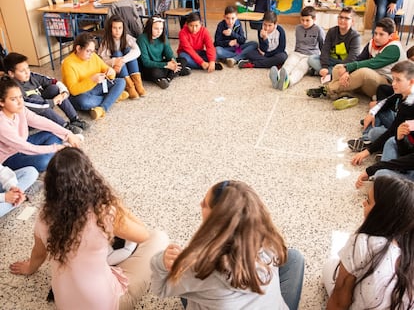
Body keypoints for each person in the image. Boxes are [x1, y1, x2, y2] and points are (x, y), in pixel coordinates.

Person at [9, 147, 170, 310]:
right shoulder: (104, 213)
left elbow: (38, 254)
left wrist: (29, 268)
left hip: (64, 304)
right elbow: (143, 235)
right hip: (108, 305)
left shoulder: (43, 217)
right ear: (89, 179)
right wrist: (117, 205)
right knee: (159, 237)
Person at [151, 180, 305, 310]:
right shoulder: (270, 243)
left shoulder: (200, 269)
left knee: (185, 288)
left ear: (216, 218)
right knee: (294, 257)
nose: (200, 204)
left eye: (204, 204)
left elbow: (160, 289)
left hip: (212, 288)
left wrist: (160, 262)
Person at [323, 175, 414, 309]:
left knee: (330, 265)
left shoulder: (362, 243)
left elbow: (339, 301)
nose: (363, 203)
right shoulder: (408, 251)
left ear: (383, 213)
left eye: (369, 201)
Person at [306, 17, 406, 110]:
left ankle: (327, 89)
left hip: (386, 85)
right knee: (339, 68)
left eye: (381, 34)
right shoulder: (373, 42)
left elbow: (373, 63)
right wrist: (347, 71)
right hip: (369, 81)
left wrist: (349, 67)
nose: (376, 37)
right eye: (375, 33)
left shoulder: (394, 48)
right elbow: (360, 58)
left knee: (363, 72)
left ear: (391, 36)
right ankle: (345, 95)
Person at [0, 75, 82, 172]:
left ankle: (53, 154)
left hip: (24, 144)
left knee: (54, 133)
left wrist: (68, 134)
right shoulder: (2, 123)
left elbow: (40, 121)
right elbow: (25, 147)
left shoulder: (20, 109)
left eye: (21, 97)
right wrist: (55, 148)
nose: (20, 102)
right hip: (9, 157)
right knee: (44, 161)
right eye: (13, 99)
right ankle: (53, 154)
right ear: (1, 102)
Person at [4, 52, 90, 134]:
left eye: (28, 68)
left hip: (43, 108)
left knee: (54, 89)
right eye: (22, 71)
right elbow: (26, 104)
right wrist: (53, 102)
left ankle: (75, 119)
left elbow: (54, 81)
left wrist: (64, 92)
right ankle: (64, 126)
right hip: (28, 121)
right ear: (11, 73)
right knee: (35, 97)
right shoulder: (12, 88)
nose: (27, 72)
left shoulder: (31, 76)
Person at [349, 61, 414, 166]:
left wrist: (367, 152)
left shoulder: (409, 104)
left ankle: (374, 147)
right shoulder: (403, 92)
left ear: (411, 82)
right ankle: (366, 141)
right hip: (399, 128)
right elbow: (386, 102)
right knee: (378, 110)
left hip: (405, 140)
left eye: (398, 80)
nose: (393, 83)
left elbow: (393, 132)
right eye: (393, 79)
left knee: (376, 134)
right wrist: (372, 113)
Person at [61, 32, 129, 120]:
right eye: (88, 51)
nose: (91, 54)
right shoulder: (68, 63)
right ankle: (112, 97)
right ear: (78, 48)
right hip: (79, 94)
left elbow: (108, 72)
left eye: (92, 51)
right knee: (84, 102)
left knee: (121, 82)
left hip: (95, 88)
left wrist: (111, 71)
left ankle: (103, 107)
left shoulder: (93, 56)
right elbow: (73, 90)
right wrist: (92, 80)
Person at [269, 6, 325, 90]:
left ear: (314, 19)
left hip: (310, 55)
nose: (304, 23)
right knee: (289, 63)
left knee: (300, 68)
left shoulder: (319, 30)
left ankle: (288, 81)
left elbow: (323, 45)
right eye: (302, 20)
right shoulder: (298, 28)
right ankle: (278, 78)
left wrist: (322, 61)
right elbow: (297, 43)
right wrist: (294, 54)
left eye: (307, 20)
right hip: (297, 52)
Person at [98, 15, 146, 99]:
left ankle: (138, 83)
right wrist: (115, 61)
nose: (117, 31)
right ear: (110, 29)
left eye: (120, 28)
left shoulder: (127, 38)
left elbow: (137, 51)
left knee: (129, 51)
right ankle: (129, 86)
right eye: (115, 28)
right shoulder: (106, 42)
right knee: (117, 53)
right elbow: (103, 61)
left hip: (125, 66)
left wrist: (122, 60)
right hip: (115, 70)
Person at [307, 7, 361, 80]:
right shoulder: (332, 31)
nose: (342, 20)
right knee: (311, 58)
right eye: (340, 17)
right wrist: (324, 67)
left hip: (344, 63)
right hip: (331, 60)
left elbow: (353, 57)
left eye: (346, 18)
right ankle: (331, 74)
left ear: (352, 22)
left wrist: (343, 68)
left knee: (354, 69)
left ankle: (322, 73)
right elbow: (325, 49)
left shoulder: (355, 36)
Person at [138, 16, 191, 90]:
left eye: (161, 28)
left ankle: (167, 79)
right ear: (149, 28)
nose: (159, 31)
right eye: (156, 28)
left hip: (161, 64)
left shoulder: (163, 37)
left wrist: (174, 63)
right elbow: (146, 62)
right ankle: (176, 72)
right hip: (150, 67)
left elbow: (169, 53)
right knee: (155, 73)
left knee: (183, 60)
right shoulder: (142, 39)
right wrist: (166, 65)